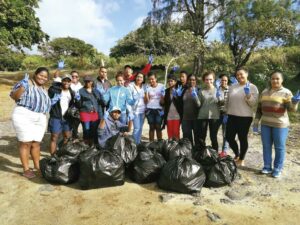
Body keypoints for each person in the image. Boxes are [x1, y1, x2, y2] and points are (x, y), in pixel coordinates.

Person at [254, 71, 299, 178]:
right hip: (265, 124)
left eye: (277, 78)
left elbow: (292, 110)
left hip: (280, 125)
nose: (275, 80)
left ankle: (277, 168)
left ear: (282, 80)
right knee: (266, 146)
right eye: (273, 78)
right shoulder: (264, 92)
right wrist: (256, 123)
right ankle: (267, 166)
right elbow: (259, 109)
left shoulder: (286, 92)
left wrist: (295, 102)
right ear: (270, 80)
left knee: (279, 147)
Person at [10, 67, 51, 179]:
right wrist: (23, 86)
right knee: (25, 143)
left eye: (45, 77)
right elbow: (14, 96)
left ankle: (37, 167)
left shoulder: (43, 88)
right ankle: (26, 169)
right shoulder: (27, 83)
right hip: (24, 114)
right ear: (35, 74)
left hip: (40, 116)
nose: (43, 78)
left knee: (36, 143)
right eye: (41, 75)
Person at [224, 67, 259, 166]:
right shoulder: (232, 86)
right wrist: (226, 113)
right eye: (237, 75)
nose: (239, 76)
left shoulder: (253, 87)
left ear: (247, 74)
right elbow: (227, 101)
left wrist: (248, 95)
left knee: (242, 138)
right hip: (231, 116)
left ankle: (241, 159)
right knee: (229, 137)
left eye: (241, 74)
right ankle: (237, 154)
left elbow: (253, 103)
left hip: (245, 117)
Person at [48, 74, 76, 155]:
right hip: (56, 117)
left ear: (70, 82)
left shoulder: (71, 92)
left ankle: (63, 154)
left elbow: (73, 104)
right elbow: (50, 92)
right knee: (54, 137)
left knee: (67, 137)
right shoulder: (54, 90)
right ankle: (53, 156)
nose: (66, 82)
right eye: (64, 80)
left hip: (67, 118)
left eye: (68, 81)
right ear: (62, 81)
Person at [195, 71, 220, 150]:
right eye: (206, 79)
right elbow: (198, 104)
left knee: (213, 136)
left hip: (214, 116)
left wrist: (219, 97)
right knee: (202, 136)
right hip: (202, 116)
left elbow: (221, 103)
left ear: (214, 79)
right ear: (204, 80)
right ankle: (201, 153)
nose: (208, 81)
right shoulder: (201, 91)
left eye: (210, 79)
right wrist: (195, 96)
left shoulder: (218, 90)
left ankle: (215, 154)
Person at [77, 75, 104, 146]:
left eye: (89, 81)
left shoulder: (96, 91)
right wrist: (77, 99)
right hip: (85, 112)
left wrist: (100, 114)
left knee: (94, 129)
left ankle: (93, 145)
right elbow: (79, 104)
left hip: (94, 112)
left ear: (92, 82)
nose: (87, 83)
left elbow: (100, 102)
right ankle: (86, 144)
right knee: (86, 129)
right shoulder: (80, 91)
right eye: (86, 81)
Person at [178, 74, 199, 146]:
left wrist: (196, 96)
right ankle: (189, 152)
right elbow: (180, 104)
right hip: (185, 118)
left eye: (193, 80)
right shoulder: (184, 90)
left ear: (196, 81)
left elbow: (199, 105)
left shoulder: (199, 90)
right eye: (190, 80)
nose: (191, 81)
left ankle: (197, 152)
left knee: (197, 137)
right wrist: (177, 96)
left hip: (196, 118)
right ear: (187, 81)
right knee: (187, 138)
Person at [127, 72, 147, 144]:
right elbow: (128, 100)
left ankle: (138, 143)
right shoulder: (131, 86)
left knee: (140, 128)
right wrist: (130, 111)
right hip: (135, 111)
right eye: (138, 76)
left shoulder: (144, 86)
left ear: (143, 79)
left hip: (143, 111)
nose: (139, 78)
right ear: (135, 77)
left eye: (141, 77)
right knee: (136, 128)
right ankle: (134, 145)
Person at [145, 72, 165, 141]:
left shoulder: (161, 86)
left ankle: (160, 143)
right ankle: (151, 144)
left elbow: (163, 101)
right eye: (149, 79)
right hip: (150, 109)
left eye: (152, 79)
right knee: (151, 127)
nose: (151, 81)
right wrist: (146, 92)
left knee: (158, 127)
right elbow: (147, 100)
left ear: (156, 79)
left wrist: (162, 95)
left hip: (159, 109)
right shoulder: (148, 87)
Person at [161, 74, 182, 139]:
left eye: (172, 81)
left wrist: (177, 96)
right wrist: (162, 96)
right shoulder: (166, 91)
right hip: (168, 116)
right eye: (169, 81)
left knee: (176, 133)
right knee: (170, 133)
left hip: (177, 116)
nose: (170, 83)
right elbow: (162, 104)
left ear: (175, 82)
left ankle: (176, 147)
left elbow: (180, 104)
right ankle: (170, 147)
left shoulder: (178, 90)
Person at [216, 73, 230, 157]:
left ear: (227, 81)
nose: (223, 82)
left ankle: (224, 150)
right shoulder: (217, 89)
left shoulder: (230, 90)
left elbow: (229, 103)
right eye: (222, 80)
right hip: (217, 114)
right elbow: (215, 102)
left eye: (225, 80)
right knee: (214, 132)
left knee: (225, 133)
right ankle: (215, 149)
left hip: (226, 114)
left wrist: (227, 114)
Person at [70, 70, 83, 139]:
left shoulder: (81, 86)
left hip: (78, 108)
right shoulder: (68, 85)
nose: (74, 77)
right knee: (70, 126)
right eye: (72, 76)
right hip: (69, 108)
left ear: (78, 78)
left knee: (76, 124)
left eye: (76, 76)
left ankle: (75, 139)